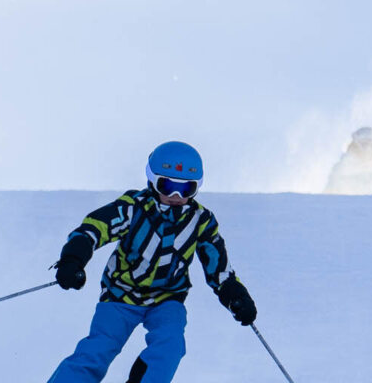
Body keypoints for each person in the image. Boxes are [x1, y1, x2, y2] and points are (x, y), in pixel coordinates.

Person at [47, 141, 259, 383]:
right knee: (99, 349)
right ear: (152, 180)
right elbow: (94, 229)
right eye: (167, 186)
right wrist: (73, 260)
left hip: (167, 299)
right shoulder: (133, 208)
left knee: (170, 346)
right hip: (120, 294)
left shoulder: (201, 221)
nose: (176, 196)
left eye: (186, 189)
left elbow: (218, 267)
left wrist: (236, 296)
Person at [324, 126, 372, 195]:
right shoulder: (344, 167)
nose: (368, 148)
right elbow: (329, 195)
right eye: (365, 144)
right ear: (356, 144)